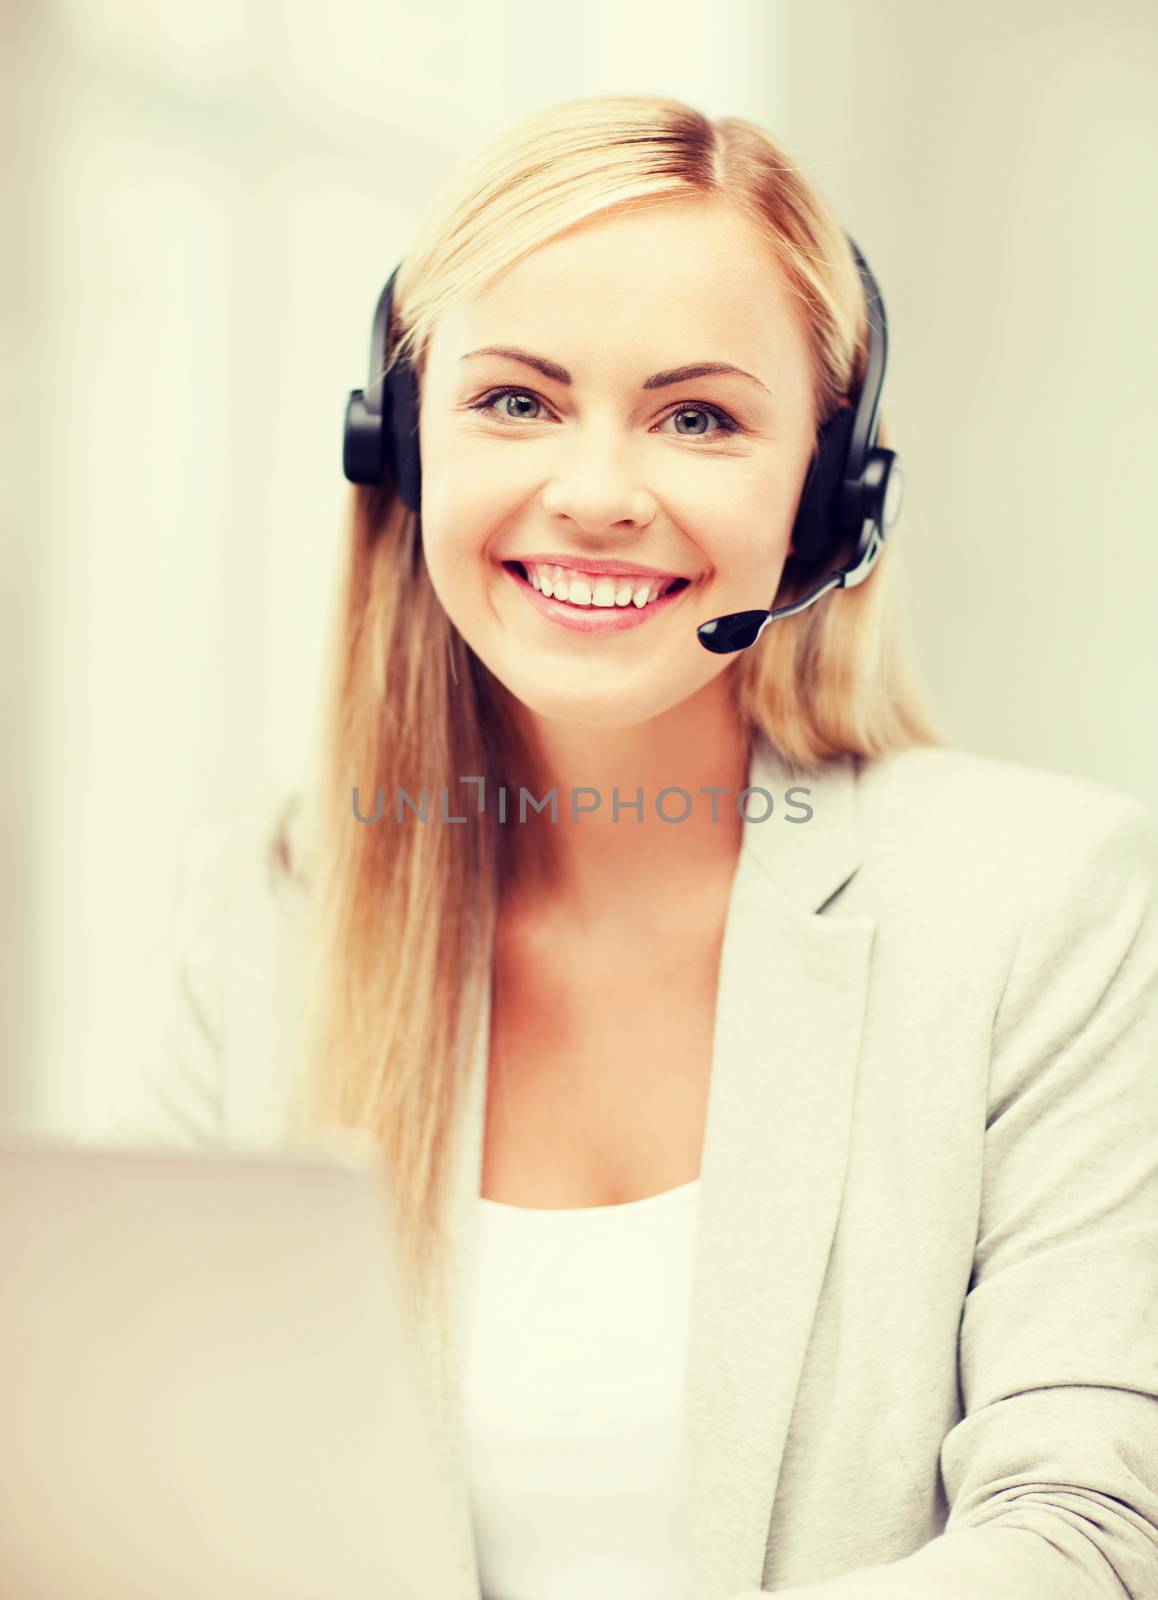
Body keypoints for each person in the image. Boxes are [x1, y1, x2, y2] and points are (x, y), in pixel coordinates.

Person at [90, 94, 1158, 1599]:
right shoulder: (269, 913)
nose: (595, 494)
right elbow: (136, 1487)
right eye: (516, 400)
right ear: (394, 448)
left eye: (697, 416)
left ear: (831, 498)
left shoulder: (1043, 905)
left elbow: (1091, 1531)